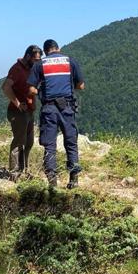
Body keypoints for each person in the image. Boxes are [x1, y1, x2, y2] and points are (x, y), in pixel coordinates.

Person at [28, 39, 85, 188]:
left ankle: (52, 182)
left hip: (49, 109)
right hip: (67, 107)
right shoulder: (70, 61)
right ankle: (73, 180)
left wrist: (43, 91)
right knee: (71, 143)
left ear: (45, 51)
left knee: (50, 145)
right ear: (58, 48)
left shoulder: (40, 64)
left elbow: (31, 90)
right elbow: (81, 85)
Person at [1, 44, 43, 179]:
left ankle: (24, 169)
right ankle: (14, 172)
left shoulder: (32, 69)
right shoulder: (17, 69)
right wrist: (18, 104)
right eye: (36, 60)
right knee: (19, 141)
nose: (37, 62)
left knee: (29, 142)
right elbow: (6, 87)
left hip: (30, 111)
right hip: (18, 112)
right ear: (28, 56)